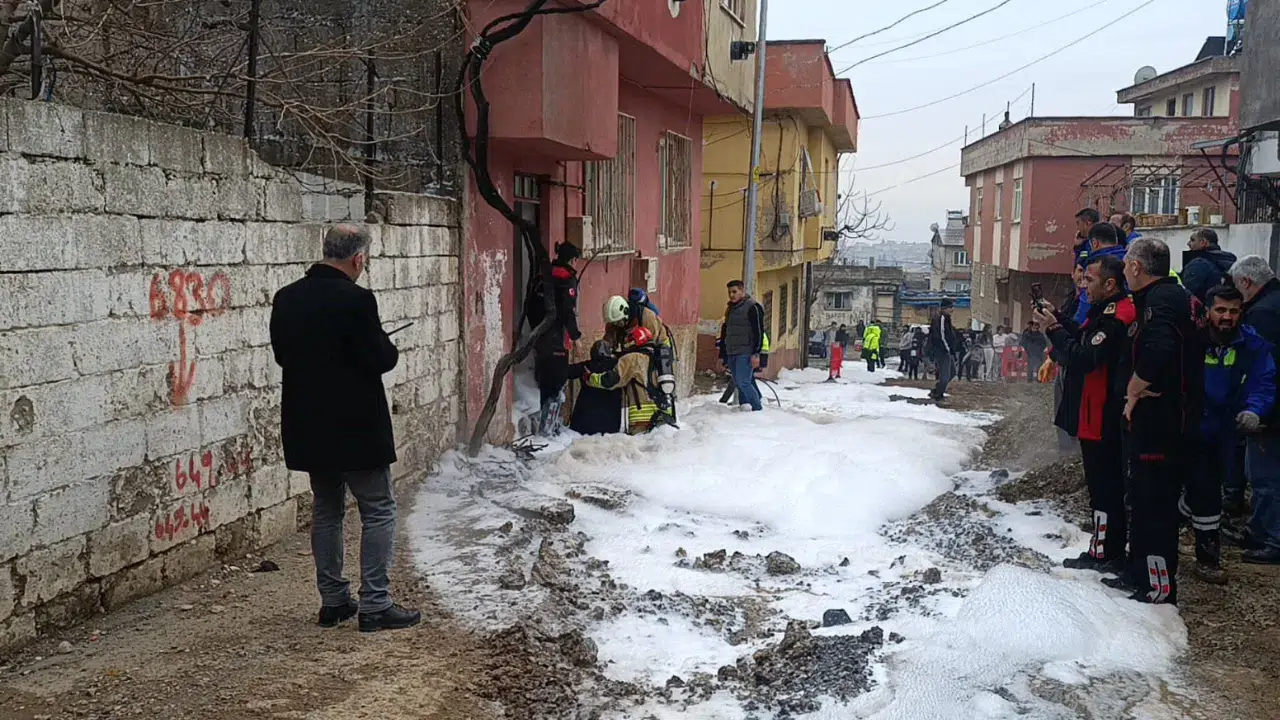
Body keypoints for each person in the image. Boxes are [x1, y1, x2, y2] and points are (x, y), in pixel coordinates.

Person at [269, 224, 421, 633]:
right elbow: (380, 359)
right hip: (356, 427)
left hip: (309, 424)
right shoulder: (357, 300)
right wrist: (386, 346)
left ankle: (334, 601)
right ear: (358, 259)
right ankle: (375, 604)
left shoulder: (286, 298)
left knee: (327, 509)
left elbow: (284, 355)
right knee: (378, 508)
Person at [1111, 238, 1205, 605]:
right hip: (1159, 420)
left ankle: (1158, 585)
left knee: (1155, 505)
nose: (1122, 271)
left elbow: (1162, 349)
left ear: (1136, 267)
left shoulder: (1163, 301)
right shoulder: (1171, 297)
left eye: (1126, 265)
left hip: (1164, 422)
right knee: (1141, 498)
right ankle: (1137, 573)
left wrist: (1135, 389)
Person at [1035, 255, 1135, 574]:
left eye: (1089, 280)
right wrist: (1059, 317)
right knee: (1103, 486)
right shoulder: (1107, 312)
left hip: (1102, 414)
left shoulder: (1117, 315)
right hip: (1095, 412)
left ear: (1110, 284)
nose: (1083, 286)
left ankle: (1105, 552)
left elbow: (1085, 356)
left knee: (1104, 488)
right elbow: (1084, 335)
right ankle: (1106, 548)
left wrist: (1052, 328)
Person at [1185, 285, 1276, 582]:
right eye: (1221, 310)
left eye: (1234, 311)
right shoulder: (1191, 340)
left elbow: (1264, 381)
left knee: (1210, 494)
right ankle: (1161, 548)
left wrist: (1255, 410)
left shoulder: (1252, 345)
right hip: (1186, 425)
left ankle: (1206, 557)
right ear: (1208, 310)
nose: (1227, 317)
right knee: (1187, 491)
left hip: (1223, 431)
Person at [1228, 255, 1280, 563]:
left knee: (1265, 475)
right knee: (1259, 471)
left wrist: (1259, 410)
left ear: (1247, 283)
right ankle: (1258, 529)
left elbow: (1265, 368)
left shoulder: (1262, 314)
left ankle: (1272, 538)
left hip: (1269, 410)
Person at [524, 242, 583, 435]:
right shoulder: (567, 279)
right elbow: (568, 310)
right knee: (557, 386)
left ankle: (543, 428)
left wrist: (537, 331)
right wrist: (576, 336)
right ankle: (549, 432)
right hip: (558, 340)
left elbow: (531, 305)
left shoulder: (543, 276)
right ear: (572, 259)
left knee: (545, 384)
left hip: (540, 339)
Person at [582, 326, 674, 433]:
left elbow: (610, 381)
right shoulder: (661, 359)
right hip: (665, 417)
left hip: (642, 422)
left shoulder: (632, 359)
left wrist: (590, 378)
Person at [718, 280, 766, 412]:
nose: (732, 295)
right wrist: (723, 354)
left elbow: (759, 332)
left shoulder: (753, 307)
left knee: (743, 382)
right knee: (743, 381)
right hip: (732, 350)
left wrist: (756, 353)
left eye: (734, 292)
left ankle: (757, 409)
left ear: (742, 291)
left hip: (746, 351)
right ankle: (745, 407)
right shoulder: (731, 309)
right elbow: (725, 331)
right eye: (729, 292)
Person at [568, 340, 623, 436]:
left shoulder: (586, 366)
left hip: (584, 423)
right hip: (610, 423)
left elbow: (567, 372)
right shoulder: (618, 367)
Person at [1181, 228, 1237, 303]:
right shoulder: (1230, 259)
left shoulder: (1197, 263)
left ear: (1203, 242)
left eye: (1192, 240)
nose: (1188, 243)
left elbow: (1189, 293)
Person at [928, 300, 961, 401]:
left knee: (952, 372)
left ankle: (937, 390)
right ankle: (938, 394)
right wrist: (947, 348)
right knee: (945, 375)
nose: (952, 310)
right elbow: (941, 335)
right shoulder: (941, 318)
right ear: (944, 308)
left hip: (947, 350)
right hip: (942, 351)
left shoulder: (946, 319)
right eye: (950, 307)